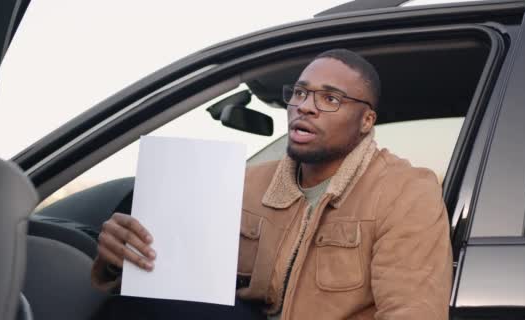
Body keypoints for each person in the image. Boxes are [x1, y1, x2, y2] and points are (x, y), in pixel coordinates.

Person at [91, 48, 453, 320]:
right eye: (299, 92)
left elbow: (412, 311)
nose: (305, 107)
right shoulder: (244, 183)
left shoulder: (406, 191)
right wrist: (124, 258)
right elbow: (177, 287)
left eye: (330, 98)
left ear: (366, 121)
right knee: (125, 308)